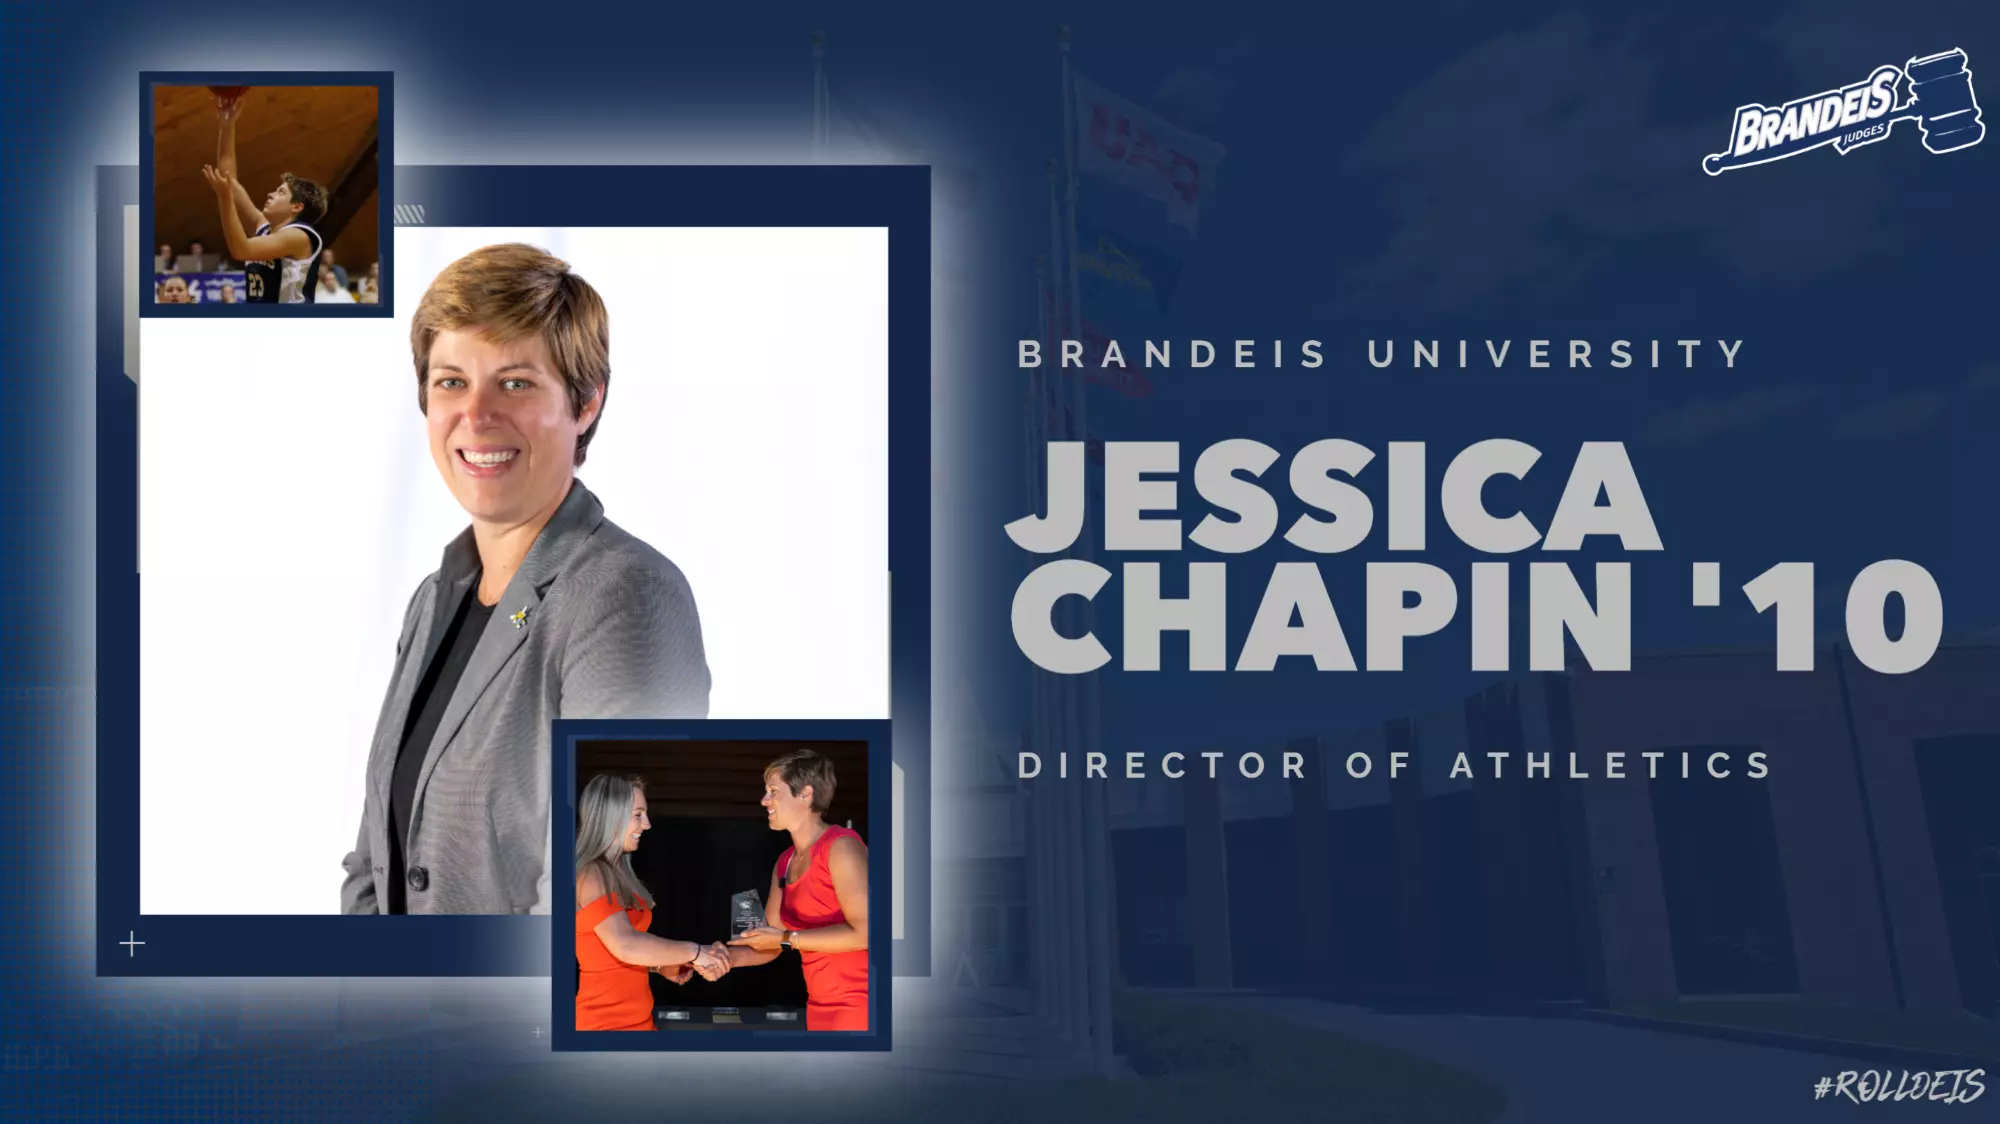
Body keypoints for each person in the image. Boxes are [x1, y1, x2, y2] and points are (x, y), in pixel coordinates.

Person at [339, 242, 711, 916]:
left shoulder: (626, 596)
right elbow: (374, 859)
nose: (476, 415)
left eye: (514, 382)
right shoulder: (437, 598)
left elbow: (599, 891)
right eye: (451, 381)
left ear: (586, 403)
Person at [725, 749, 870, 1030]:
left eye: (773, 791)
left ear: (805, 793)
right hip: (818, 1006)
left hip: (862, 1002)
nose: (764, 800)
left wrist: (786, 938)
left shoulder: (841, 846)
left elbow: (866, 933)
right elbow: (771, 945)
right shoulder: (784, 861)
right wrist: (717, 958)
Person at [574, 773, 729, 1031]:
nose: (646, 824)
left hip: (639, 1022)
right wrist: (695, 952)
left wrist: (660, 965)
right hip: (605, 1027)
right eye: (638, 814)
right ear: (611, 816)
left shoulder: (617, 871)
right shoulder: (591, 873)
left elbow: (610, 954)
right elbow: (625, 945)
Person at [199, 92, 328, 303]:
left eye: (281, 192)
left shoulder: (299, 236)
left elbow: (241, 250)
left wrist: (225, 199)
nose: (270, 194)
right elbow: (228, 178)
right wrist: (226, 126)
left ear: (297, 207)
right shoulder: (263, 227)